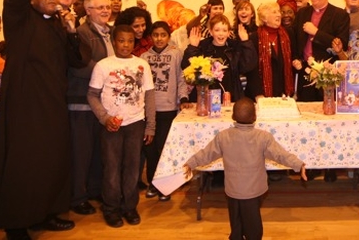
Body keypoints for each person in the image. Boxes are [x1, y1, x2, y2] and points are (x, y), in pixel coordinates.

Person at [0, 0, 88, 240]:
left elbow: (77, 61)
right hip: (25, 104)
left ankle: (45, 213)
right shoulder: (18, 18)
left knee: (52, 158)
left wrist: (70, 34)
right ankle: (16, 223)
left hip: (52, 102)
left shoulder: (57, 24)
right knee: (25, 160)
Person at [183, 97, 307, 240]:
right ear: (254, 117)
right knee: (253, 229)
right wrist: (298, 164)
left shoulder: (223, 136)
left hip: (233, 191)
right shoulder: (263, 137)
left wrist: (191, 163)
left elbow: (206, 154)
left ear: (233, 116)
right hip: (254, 191)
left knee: (236, 225)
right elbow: (281, 155)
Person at [87, 24, 156, 228]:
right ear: (113, 42)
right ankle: (111, 208)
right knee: (112, 168)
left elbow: (150, 97)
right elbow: (92, 95)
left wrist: (150, 126)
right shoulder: (103, 65)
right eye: (121, 40)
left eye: (130, 41)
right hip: (111, 125)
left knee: (132, 168)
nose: (125, 45)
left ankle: (129, 207)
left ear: (134, 42)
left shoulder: (142, 65)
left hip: (135, 123)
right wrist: (104, 117)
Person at [66, 0, 114, 216]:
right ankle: (77, 197)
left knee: (98, 152)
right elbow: (78, 66)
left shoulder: (111, 33)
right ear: (88, 11)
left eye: (108, 7)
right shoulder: (81, 33)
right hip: (82, 102)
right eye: (100, 7)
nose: (106, 10)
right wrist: (111, 73)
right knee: (81, 153)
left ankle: (94, 190)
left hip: (103, 104)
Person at [140, 21, 188, 201]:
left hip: (169, 109)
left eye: (163, 35)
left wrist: (182, 98)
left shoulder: (176, 54)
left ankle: (164, 186)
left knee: (164, 148)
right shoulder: (143, 58)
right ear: (150, 37)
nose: (159, 39)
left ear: (169, 36)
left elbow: (182, 79)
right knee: (150, 150)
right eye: (155, 35)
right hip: (149, 111)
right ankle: (153, 183)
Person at [292, 0, 350, 103]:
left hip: (328, 76)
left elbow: (342, 44)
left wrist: (316, 33)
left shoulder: (340, 15)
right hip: (305, 73)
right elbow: (295, 40)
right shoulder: (302, 13)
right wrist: (296, 58)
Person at [182, 14, 257, 102]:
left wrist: (246, 42)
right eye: (217, 30)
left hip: (231, 96)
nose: (221, 33)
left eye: (224, 30)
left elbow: (247, 66)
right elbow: (186, 67)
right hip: (206, 98)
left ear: (229, 32)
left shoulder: (235, 47)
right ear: (210, 31)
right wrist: (193, 47)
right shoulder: (203, 46)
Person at [252, 2, 295, 98]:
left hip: (285, 91)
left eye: (278, 11)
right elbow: (253, 69)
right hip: (263, 92)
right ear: (264, 18)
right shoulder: (255, 37)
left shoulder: (288, 34)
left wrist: (297, 61)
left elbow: (294, 57)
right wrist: (257, 93)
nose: (279, 15)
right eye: (274, 12)